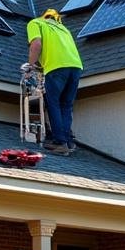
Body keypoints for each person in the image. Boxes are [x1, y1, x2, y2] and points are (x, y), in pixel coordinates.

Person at [25, 9, 83, 156]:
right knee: (66, 105)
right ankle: (68, 141)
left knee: (53, 103)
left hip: (57, 67)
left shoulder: (35, 23)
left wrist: (30, 67)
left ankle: (59, 142)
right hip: (76, 67)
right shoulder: (63, 28)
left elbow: (36, 44)